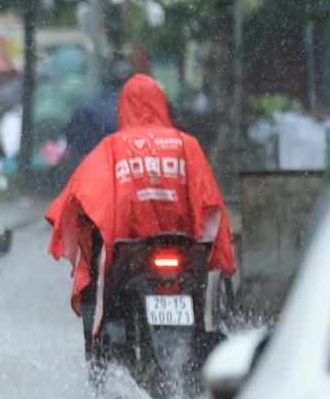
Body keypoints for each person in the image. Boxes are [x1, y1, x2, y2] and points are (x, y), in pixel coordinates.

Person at [46, 72, 234, 348]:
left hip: (130, 254)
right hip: (185, 252)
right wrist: (209, 251)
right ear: (161, 104)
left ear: (124, 107)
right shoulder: (186, 145)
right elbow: (211, 203)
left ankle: (98, 357)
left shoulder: (112, 147)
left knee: (101, 299)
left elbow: (80, 196)